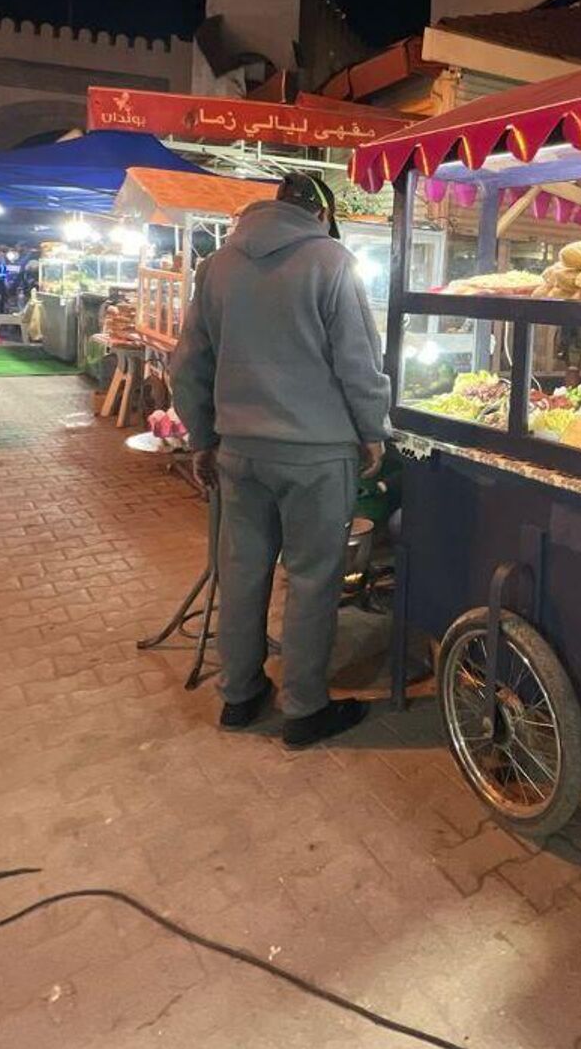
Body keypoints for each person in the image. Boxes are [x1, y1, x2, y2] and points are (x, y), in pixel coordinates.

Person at [170, 171, 390, 748]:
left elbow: (187, 364)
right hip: (317, 458)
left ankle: (239, 698)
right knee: (314, 581)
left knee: (242, 575)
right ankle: (303, 709)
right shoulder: (331, 261)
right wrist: (373, 430)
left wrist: (201, 437)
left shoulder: (215, 266)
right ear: (321, 215)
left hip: (239, 452)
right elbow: (359, 362)